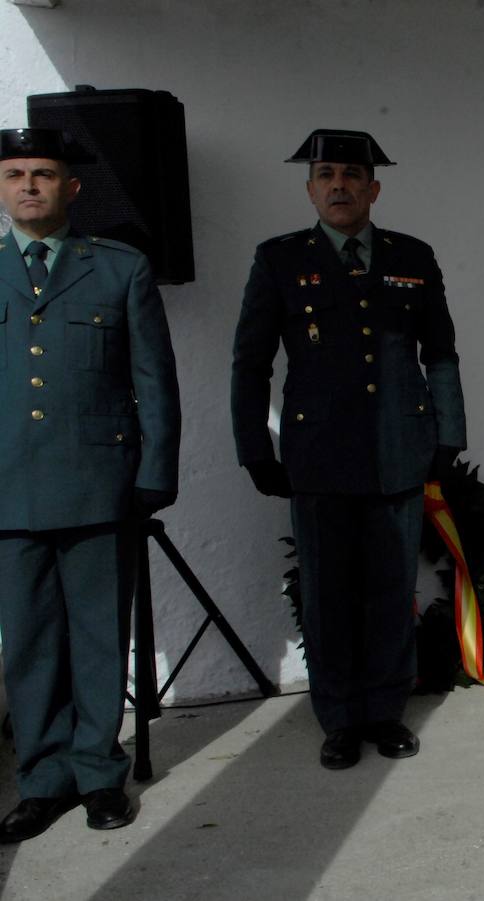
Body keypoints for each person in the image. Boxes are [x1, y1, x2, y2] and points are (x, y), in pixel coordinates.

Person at [230, 129, 466, 769]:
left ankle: (385, 712)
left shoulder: (412, 255)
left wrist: (448, 437)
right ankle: (337, 718)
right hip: (318, 453)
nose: (339, 184)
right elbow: (251, 363)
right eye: (327, 174)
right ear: (310, 189)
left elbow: (439, 353)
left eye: (352, 175)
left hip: (397, 445)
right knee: (328, 593)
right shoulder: (279, 259)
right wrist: (256, 447)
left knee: (391, 588)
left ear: (373, 188)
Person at [0, 128, 181, 841]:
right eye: (14, 174)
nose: (29, 185)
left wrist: (155, 471)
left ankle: (100, 773)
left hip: (100, 486)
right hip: (9, 488)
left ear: (72, 188)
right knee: (30, 643)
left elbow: (154, 383)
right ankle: (43, 779)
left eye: (43, 173)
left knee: (102, 635)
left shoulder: (118, 269)